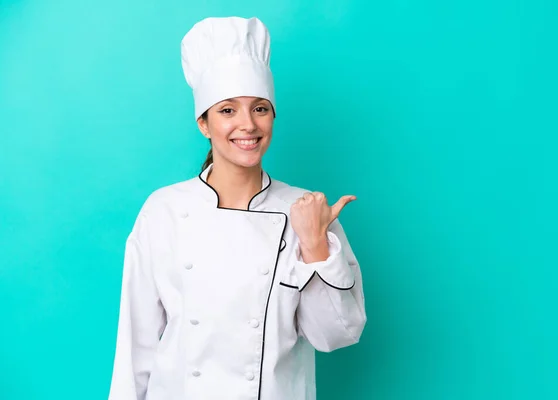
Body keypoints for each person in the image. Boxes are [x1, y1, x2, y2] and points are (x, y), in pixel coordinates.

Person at [107, 16, 367, 400]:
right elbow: (135, 349)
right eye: (227, 110)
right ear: (204, 123)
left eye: (260, 108)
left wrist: (315, 247)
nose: (247, 124)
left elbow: (334, 336)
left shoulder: (304, 210)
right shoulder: (164, 210)